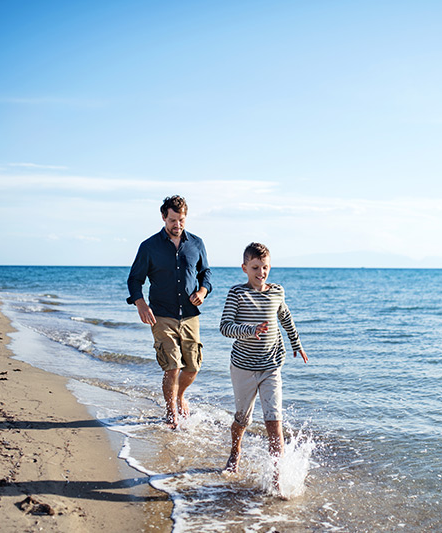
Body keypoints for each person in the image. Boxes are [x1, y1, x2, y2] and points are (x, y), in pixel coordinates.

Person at [219, 242, 308, 481]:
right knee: (242, 419)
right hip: (243, 368)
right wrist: (250, 330)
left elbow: (285, 316)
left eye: (265, 267)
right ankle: (235, 452)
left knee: (273, 422)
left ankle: (278, 478)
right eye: (255, 267)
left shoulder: (277, 291)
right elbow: (225, 327)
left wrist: (296, 343)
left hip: (271, 366)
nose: (261, 273)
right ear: (244, 268)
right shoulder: (237, 294)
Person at [126, 195, 212, 428]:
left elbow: (206, 274)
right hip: (161, 315)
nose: (177, 225)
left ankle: (179, 395)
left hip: (190, 315)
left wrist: (203, 291)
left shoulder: (197, 243)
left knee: (193, 367)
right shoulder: (149, 246)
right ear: (164, 217)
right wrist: (141, 304)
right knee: (172, 366)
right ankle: (171, 413)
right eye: (173, 220)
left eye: (181, 220)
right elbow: (135, 280)